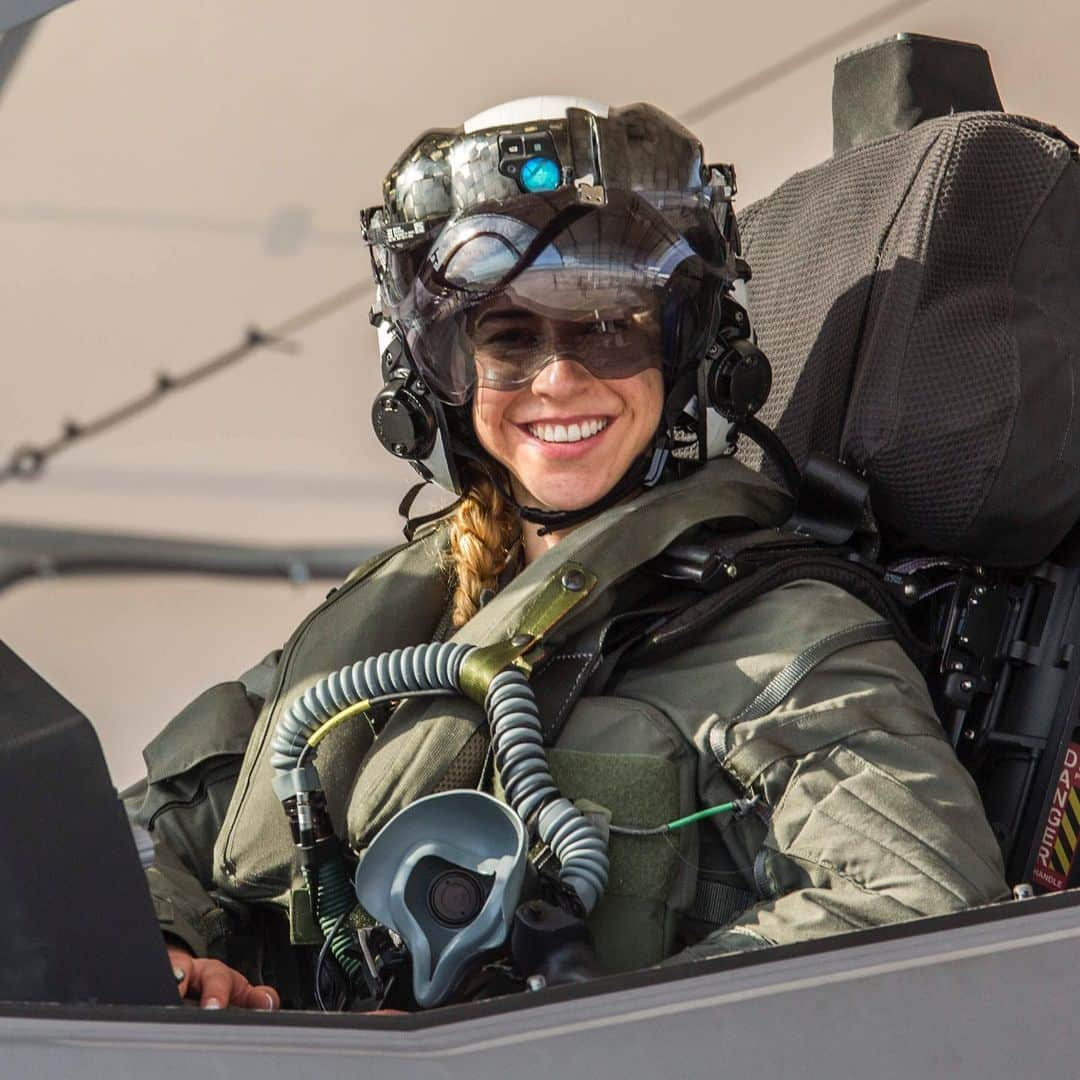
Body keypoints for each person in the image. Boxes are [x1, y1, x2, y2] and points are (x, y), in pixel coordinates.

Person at [125, 98, 1009, 1012]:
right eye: (508, 339)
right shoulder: (418, 605)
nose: (558, 379)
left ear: (691, 355)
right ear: (436, 382)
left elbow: (922, 909)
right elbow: (154, 832)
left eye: (610, 327)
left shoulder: (786, 640)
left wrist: (537, 1034)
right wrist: (167, 945)